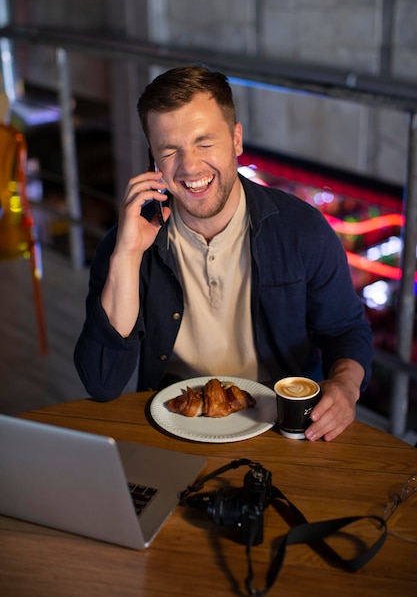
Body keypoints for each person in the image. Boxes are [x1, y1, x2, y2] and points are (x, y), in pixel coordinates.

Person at [74, 64, 373, 442]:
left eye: (204, 142)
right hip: (172, 420)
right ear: (153, 159)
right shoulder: (126, 245)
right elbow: (101, 382)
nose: (190, 167)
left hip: (283, 427)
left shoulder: (303, 230)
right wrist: (128, 256)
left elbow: (345, 330)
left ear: (236, 140)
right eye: (170, 150)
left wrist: (346, 385)